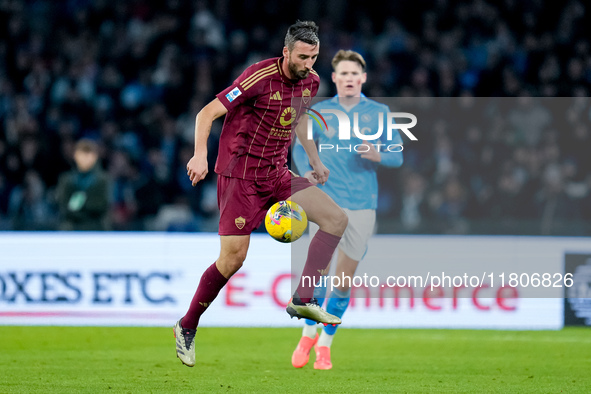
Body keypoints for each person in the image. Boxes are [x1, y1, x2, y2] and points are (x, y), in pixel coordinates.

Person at [174, 21, 349, 368]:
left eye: (314, 57)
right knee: (233, 260)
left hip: (278, 174)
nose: (309, 64)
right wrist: (199, 154)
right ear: (286, 52)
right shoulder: (258, 77)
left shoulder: (310, 80)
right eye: (302, 56)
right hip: (240, 178)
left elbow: (299, 119)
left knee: (336, 220)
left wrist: (314, 160)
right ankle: (187, 325)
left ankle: (303, 297)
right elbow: (207, 112)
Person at [290, 50, 404, 370]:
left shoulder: (379, 112)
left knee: (343, 279)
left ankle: (325, 343)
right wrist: (307, 169)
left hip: (364, 204)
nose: (350, 79)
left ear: (363, 78)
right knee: (320, 272)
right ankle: (308, 332)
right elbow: (300, 146)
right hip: (327, 202)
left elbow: (397, 156)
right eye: (344, 74)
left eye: (355, 74)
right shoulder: (321, 111)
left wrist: (377, 154)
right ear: (335, 78)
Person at [55, 138, 111, 231]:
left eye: (88, 154)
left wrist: (80, 202)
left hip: (96, 225)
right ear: (75, 156)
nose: (85, 158)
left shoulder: (103, 180)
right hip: (72, 225)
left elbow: (102, 205)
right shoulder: (66, 180)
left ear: (95, 157)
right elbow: (64, 205)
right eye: (82, 154)